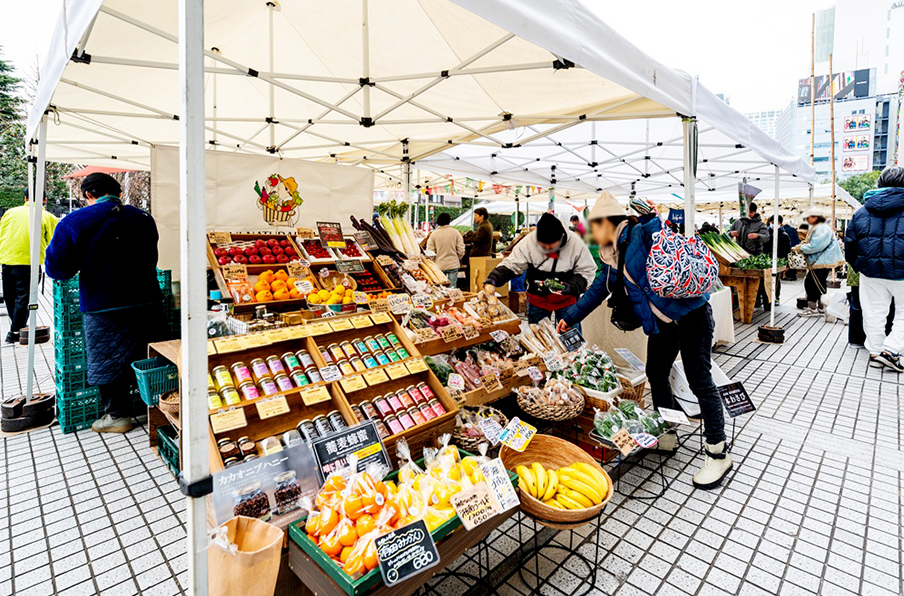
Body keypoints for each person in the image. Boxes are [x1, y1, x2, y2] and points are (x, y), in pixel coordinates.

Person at [556, 194, 732, 489]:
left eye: (594, 227)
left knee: (699, 379)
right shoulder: (612, 253)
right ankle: (667, 430)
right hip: (664, 323)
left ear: (606, 224)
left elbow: (657, 234)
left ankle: (717, 452)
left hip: (691, 315)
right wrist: (571, 316)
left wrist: (650, 218)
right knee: (656, 373)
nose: (591, 235)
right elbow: (600, 288)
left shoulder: (637, 235)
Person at [45, 173, 163, 433]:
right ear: (119, 192)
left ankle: (118, 416)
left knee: (107, 357)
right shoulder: (143, 218)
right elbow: (152, 255)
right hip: (148, 299)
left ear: (88, 194)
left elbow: (57, 267)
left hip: (104, 304)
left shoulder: (76, 221)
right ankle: (158, 405)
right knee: (149, 354)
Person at [483, 212, 596, 327]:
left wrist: (573, 286)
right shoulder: (529, 241)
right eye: (543, 246)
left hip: (567, 300)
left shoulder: (575, 243)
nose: (547, 249)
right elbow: (513, 264)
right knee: (537, 338)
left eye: (551, 246)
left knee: (571, 338)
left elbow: (587, 270)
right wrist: (494, 278)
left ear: (561, 236)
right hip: (538, 299)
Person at [844, 165, 904, 371]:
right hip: (902, 273)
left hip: (869, 272)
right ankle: (891, 350)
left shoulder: (861, 212)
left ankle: (877, 351)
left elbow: (850, 244)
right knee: (903, 314)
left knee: (873, 312)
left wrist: (859, 266)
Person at [0, 189, 59, 343]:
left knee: (10, 295)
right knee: (24, 297)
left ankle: (17, 326)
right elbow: (54, 242)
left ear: (25, 198)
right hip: (29, 263)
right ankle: (15, 331)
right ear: (44, 201)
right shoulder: (47, 216)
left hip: (6, 260)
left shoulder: (10, 213)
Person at [793, 207, 844, 317]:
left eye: (809, 217)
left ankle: (814, 308)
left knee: (812, 284)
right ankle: (821, 307)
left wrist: (800, 248)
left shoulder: (821, 228)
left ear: (815, 217)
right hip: (821, 261)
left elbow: (816, 246)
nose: (807, 220)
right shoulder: (821, 227)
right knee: (818, 283)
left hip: (821, 261)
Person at [426, 212, 465, 286]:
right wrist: (458, 258)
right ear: (449, 221)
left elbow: (430, 251)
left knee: (440, 288)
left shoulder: (434, 234)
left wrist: (434, 261)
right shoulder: (456, 233)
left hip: (439, 265)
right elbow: (461, 250)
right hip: (453, 264)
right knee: (452, 287)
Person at [764, 215, 791, 305]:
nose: (774, 224)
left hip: (779, 260)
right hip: (766, 260)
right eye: (772, 222)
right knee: (766, 280)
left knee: (776, 280)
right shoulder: (766, 233)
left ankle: (776, 298)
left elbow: (787, 251)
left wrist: (786, 264)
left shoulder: (784, 235)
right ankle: (766, 299)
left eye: (777, 222)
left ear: (781, 223)